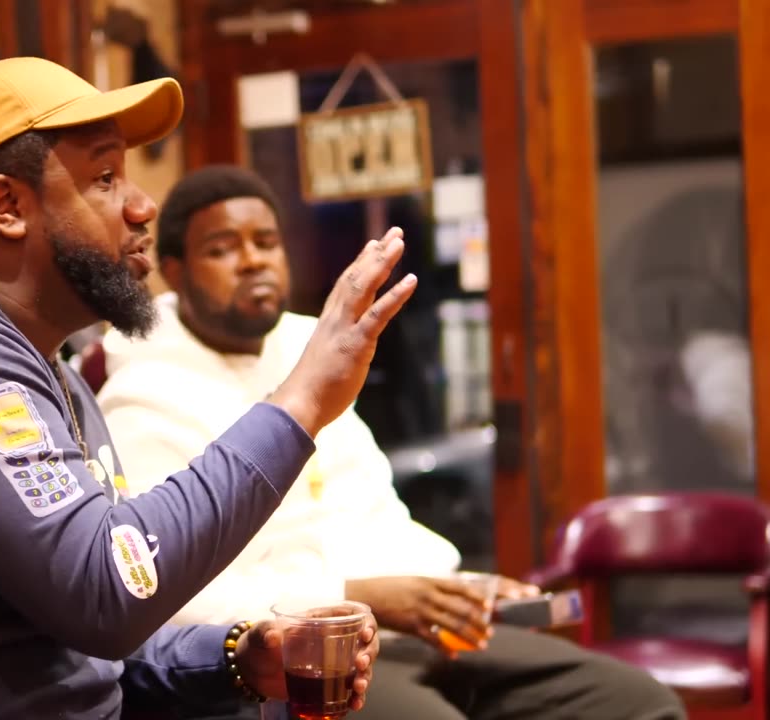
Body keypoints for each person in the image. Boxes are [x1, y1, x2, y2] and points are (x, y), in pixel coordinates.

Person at [0, 59, 414, 719]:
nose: (144, 205)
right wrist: (300, 402)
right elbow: (108, 588)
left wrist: (237, 656)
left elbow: (90, 649)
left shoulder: (52, 376)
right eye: (106, 177)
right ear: (7, 206)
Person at [96, 164, 688, 720]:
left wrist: (456, 591)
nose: (253, 261)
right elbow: (171, 598)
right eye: (222, 249)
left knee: (636, 701)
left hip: (406, 633)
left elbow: (373, 512)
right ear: (173, 270)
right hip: (304, 655)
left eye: (265, 242)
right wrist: (360, 597)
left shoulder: (312, 351)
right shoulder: (143, 398)